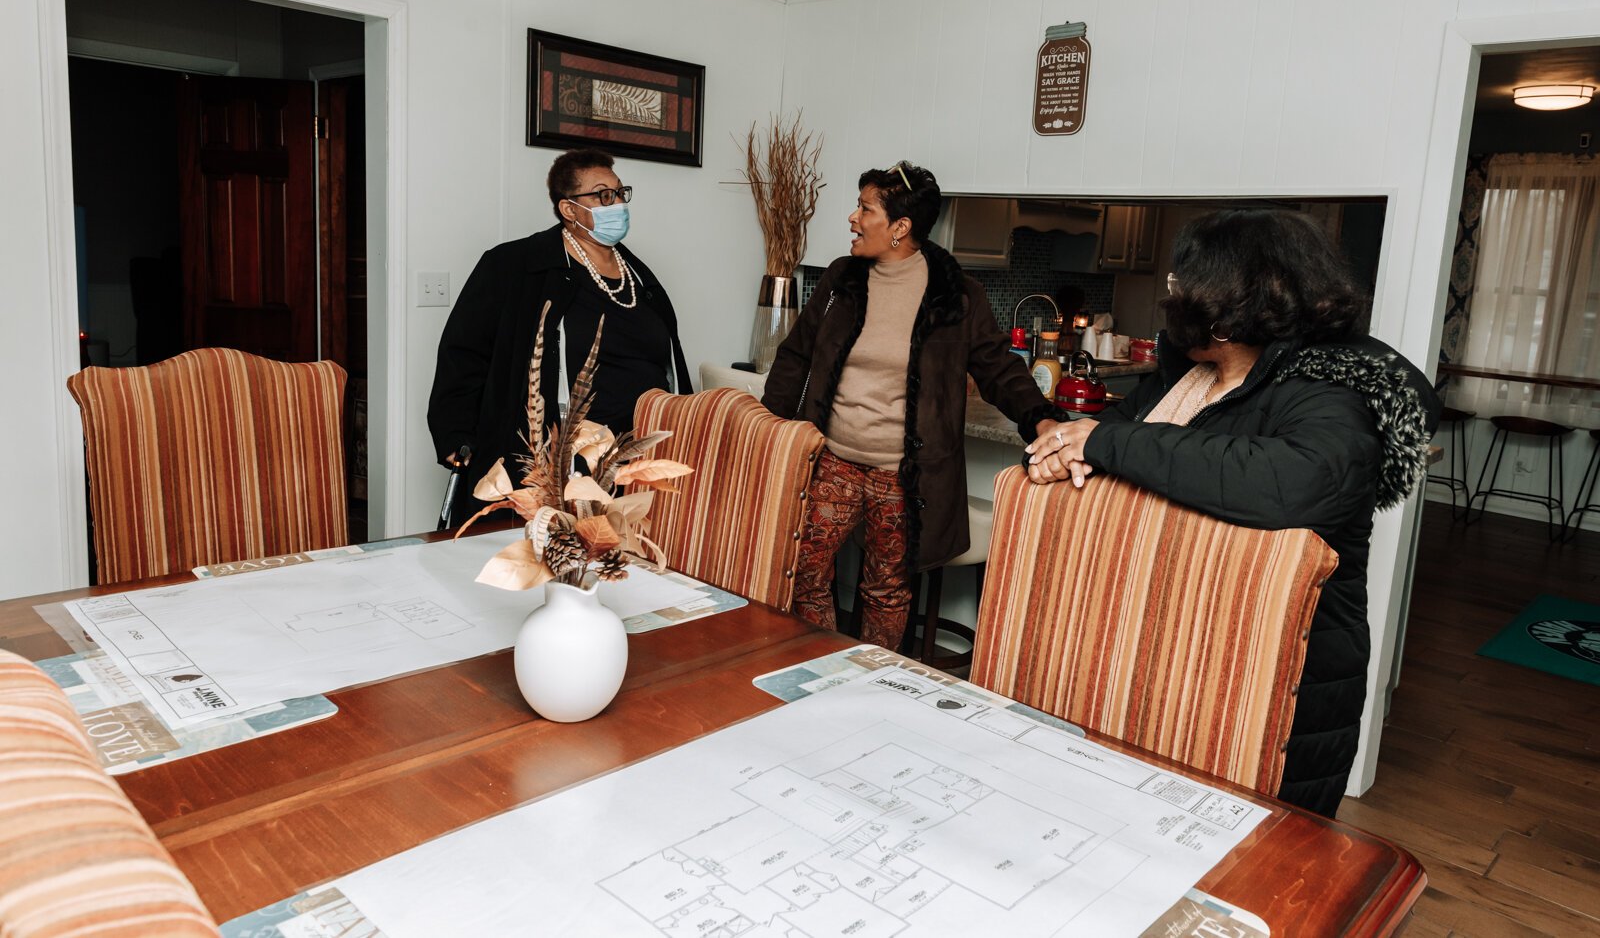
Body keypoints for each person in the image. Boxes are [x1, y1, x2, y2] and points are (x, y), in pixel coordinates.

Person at [1024, 208, 1441, 818]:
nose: (1174, 295)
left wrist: (1102, 444)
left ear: (1229, 297)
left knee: (1249, 858)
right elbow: (1101, 433)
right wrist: (1060, 451)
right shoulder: (1189, 376)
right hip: (1175, 652)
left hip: (1279, 673)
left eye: (1182, 283)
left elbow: (1292, 482)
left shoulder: (1331, 389)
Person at [762, 162, 1067, 650]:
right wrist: (769, 427)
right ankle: (819, 659)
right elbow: (795, 356)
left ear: (900, 228)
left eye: (865, 209)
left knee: (886, 592)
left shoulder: (956, 294)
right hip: (831, 461)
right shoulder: (841, 279)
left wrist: (1042, 418)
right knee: (799, 571)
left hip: (904, 476)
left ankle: (870, 683)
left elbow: (997, 368)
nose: (852, 218)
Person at [428, 148, 693, 526]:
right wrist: (455, 434)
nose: (615, 203)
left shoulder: (639, 276)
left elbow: (666, 359)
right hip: (558, 464)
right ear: (568, 209)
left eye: (619, 193)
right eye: (602, 195)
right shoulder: (515, 266)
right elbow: (464, 352)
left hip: (635, 460)